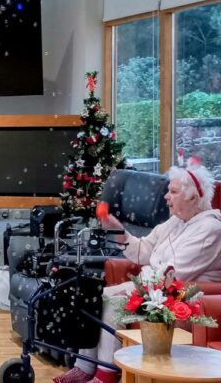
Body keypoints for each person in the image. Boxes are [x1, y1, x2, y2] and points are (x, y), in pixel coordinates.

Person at [55, 163, 221, 383]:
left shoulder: (210, 228)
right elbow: (143, 250)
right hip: (152, 288)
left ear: (193, 196)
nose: (166, 197)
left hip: (180, 295)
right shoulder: (175, 222)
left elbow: (173, 274)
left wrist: (133, 285)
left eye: (173, 192)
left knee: (111, 304)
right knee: (93, 297)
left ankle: (105, 375)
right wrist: (116, 229)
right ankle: (85, 366)